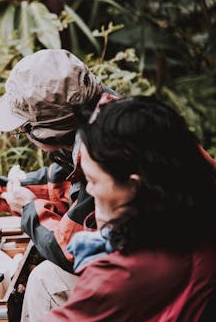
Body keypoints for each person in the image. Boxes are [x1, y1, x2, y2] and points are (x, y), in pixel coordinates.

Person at [0, 49, 121, 320]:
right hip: (165, 256)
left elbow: (69, 252)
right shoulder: (102, 115)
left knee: (45, 281)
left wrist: (30, 208)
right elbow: (60, 183)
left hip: (171, 273)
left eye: (22, 130)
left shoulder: (106, 155)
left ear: (46, 131)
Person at [42, 97, 216, 321]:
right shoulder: (192, 205)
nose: (91, 191)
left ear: (134, 185)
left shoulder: (126, 271)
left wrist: (105, 222)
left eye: (93, 181)